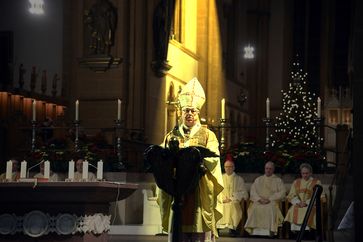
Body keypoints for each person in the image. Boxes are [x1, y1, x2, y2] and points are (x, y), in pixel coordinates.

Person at [157, 77, 224, 242]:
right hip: (178, 191)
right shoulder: (171, 136)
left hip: (199, 189)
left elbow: (214, 160)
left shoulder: (208, 135)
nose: (189, 114)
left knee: (199, 228)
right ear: (180, 112)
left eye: (193, 111)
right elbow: (162, 158)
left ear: (198, 113)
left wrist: (197, 161)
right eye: (186, 110)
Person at [244, 161, 286, 236]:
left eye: (270, 169)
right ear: (264, 169)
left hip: (271, 202)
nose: (268, 170)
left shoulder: (278, 180)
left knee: (270, 209)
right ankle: (255, 232)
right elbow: (253, 192)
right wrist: (259, 199)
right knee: (254, 208)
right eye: (267, 168)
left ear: (273, 170)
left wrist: (270, 199)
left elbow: (282, 193)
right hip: (259, 201)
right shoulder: (258, 180)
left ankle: (269, 232)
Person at [284, 163, 323, 232]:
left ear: (311, 173)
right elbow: (291, 195)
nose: (304, 175)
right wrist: (299, 202)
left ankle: (308, 232)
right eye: (303, 173)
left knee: (307, 210)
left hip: (311, 204)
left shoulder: (316, 182)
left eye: (306, 173)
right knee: (293, 209)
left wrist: (307, 203)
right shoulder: (296, 182)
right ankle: (295, 232)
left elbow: (320, 196)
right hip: (299, 203)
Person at [217, 154, 248, 236]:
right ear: (224, 167)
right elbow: (216, 191)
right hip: (222, 201)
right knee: (220, 205)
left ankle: (232, 229)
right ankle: (219, 228)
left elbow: (244, 193)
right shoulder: (220, 178)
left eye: (230, 167)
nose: (228, 168)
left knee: (232, 206)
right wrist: (222, 199)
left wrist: (231, 198)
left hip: (234, 201)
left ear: (233, 168)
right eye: (226, 167)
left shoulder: (239, 179)